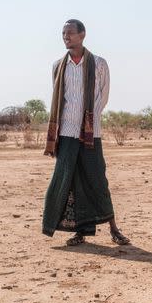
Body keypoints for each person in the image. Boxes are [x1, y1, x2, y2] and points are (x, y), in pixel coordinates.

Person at [41, 19, 130, 246]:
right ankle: (80, 232)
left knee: (97, 180)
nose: (65, 37)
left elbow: (103, 97)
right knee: (67, 181)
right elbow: (57, 99)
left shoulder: (99, 64)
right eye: (63, 33)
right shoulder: (57, 66)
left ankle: (113, 228)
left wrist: (88, 124)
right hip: (66, 134)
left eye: (70, 33)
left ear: (82, 35)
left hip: (91, 134)